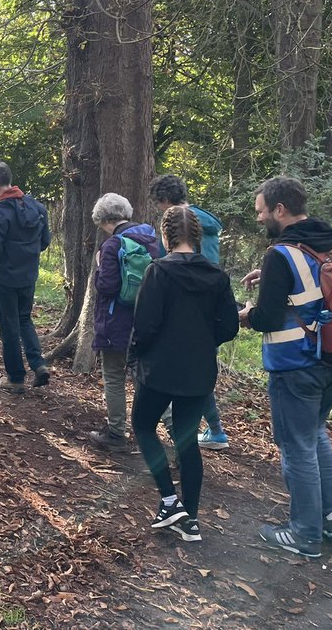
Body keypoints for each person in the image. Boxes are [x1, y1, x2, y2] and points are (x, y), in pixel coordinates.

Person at [236, 176, 332, 558]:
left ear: (279, 209)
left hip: (297, 366)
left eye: (261, 211)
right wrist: (268, 278)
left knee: (296, 444)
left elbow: (269, 317)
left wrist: (246, 314)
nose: (259, 218)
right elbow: (319, 293)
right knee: (315, 431)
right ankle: (331, 513)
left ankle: (304, 533)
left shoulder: (281, 253)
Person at [131, 206, 240, 542]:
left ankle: (168, 500)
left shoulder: (158, 272)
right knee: (187, 440)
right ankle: (190, 519)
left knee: (143, 426)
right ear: (198, 236)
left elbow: (145, 326)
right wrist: (203, 341)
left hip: (159, 370)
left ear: (165, 237)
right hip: (197, 371)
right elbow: (230, 326)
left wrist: (136, 355)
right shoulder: (217, 276)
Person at [150, 174, 230, 450]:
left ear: (163, 201)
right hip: (210, 303)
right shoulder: (203, 222)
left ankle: (186, 438)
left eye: (158, 204)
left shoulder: (175, 225)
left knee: (178, 373)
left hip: (181, 306)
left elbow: (166, 261)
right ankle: (215, 430)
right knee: (200, 368)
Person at [89, 192, 160, 450]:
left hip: (116, 322)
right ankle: (176, 436)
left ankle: (117, 433)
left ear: (104, 220)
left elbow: (106, 287)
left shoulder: (112, 245)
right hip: (147, 321)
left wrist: (99, 268)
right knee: (149, 379)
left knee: (114, 376)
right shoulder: (151, 239)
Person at [0, 161, 52, 393]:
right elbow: (45, 241)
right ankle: (38, 363)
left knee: (8, 325)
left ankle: (15, 377)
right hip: (29, 274)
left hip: (5, 276)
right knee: (24, 319)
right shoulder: (36, 207)